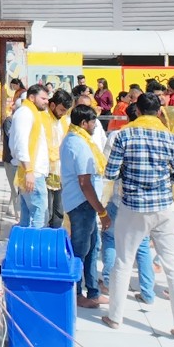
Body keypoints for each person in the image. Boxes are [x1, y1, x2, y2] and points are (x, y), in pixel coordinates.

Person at [102, 93, 174, 343]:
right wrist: (162, 180)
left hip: (133, 207)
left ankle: (115, 317)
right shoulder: (171, 138)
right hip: (164, 208)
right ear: (159, 112)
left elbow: (110, 172)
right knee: (173, 266)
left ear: (138, 111)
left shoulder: (124, 135)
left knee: (122, 261)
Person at [101, 100, 157, 304]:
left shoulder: (118, 135)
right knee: (142, 245)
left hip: (120, 198)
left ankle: (108, 282)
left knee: (110, 239)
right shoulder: (158, 136)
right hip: (148, 201)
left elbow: (108, 168)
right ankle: (148, 291)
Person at [62, 105, 111, 309]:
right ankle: (75, 293)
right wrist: (102, 211)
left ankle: (93, 291)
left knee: (93, 248)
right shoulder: (78, 144)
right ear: (84, 123)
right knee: (80, 251)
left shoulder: (79, 139)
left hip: (86, 204)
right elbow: (85, 183)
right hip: (82, 204)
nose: (95, 125)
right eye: (93, 122)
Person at [10, 84, 52, 228]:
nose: (46, 101)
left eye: (47, 98)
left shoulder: (32, 113)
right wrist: (28, 171)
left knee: (28, 215)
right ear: (32, 97)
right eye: (43, 98)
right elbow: (20, 144)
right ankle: (35, 248)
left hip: (34, 171)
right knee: (39, 214)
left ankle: (26, 247)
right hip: (32, 172)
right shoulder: (25, 113)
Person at [44, 89, 73, 228]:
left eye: (65, 111)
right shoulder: (42, 118)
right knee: (46, 210)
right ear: (53, 105)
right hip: (45, 170)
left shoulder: (64, 120)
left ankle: (55, 237)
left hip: (61, 171)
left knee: (59, 210)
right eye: (61, 110)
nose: (62, 113)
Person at [1, 79, 25, 221]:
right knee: (15, 189)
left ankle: (11, 209)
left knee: (15, 187)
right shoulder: (10, 121)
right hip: (10, 159)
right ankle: (18, 215)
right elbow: (12, 138)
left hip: (19, 160)